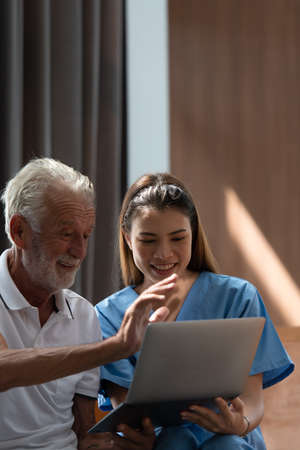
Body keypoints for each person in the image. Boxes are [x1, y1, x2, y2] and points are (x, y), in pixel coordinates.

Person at [95, 172, 294, 450]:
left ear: (194, 234)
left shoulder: (237, 297)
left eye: (178, 238)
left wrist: (240, 423)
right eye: (148, 240)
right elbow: (128, 412)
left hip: (229, 441)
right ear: (128, 239)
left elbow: (252, 401)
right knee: (173, 441)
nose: (164, 253)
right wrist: (143, 438)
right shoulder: (106, 315)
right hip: (162, 445)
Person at [0, 158, 177, 450]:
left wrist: (130, 442)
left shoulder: (83, 314)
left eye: (86, 235)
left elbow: (86, 435)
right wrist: (115, 347)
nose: (80, 251)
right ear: (19, 231)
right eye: (66, 234)